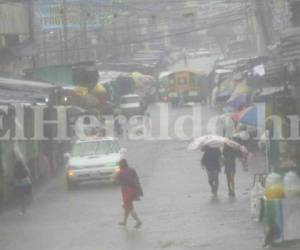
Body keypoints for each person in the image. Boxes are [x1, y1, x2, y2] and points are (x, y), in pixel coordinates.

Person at [114, 159, 143, 228]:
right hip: (134, 190)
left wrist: (115, 174)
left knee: (129, 207)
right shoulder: (132, 170)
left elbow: (114, 180)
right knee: (127, 206)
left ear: (121, 165)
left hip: (126, 192)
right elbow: (137, 179)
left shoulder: (120, 172)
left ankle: (138, 221)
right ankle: (124, 222)